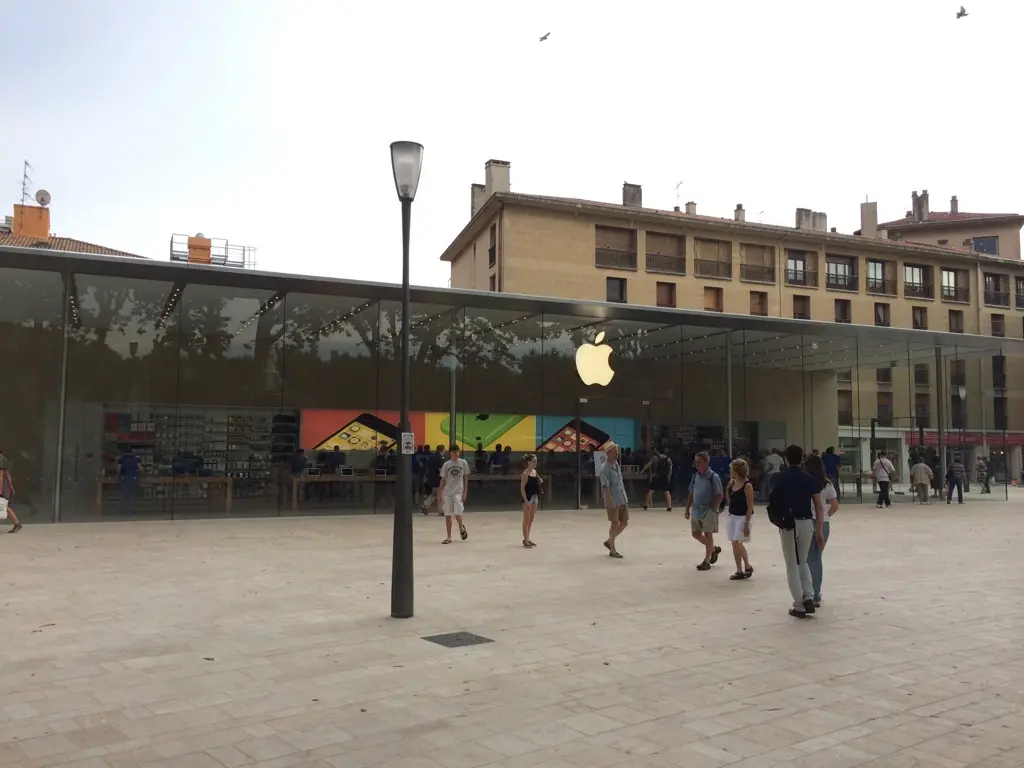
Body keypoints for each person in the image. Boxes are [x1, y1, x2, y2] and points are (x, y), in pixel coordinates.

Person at [768, 444, 824, 619]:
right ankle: (809, 595)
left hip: (788, 524)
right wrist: (820, 529)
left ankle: (799, 605)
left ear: (785, 459)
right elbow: (818, 505)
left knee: (791, 565)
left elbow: (773, 501)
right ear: (801, 459)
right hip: (807, 522)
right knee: (803, 561)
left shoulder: (779, 478)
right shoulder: (808, 479)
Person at [804, 454, 838, 608]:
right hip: (824, 523)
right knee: (817, 558)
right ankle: (816, 592)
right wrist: (825, 516)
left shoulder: (806, 483)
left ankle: (810, 592)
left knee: (807, 559)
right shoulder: (827, 484)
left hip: (808, 521)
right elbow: (835, 505)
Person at [685, 451, 724, 571]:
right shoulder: (695, 476)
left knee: (708, 533)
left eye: (699, 462)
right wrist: (687, 507)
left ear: (706, 462)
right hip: (697, 509)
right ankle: (713, 549)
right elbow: (692, 492)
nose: (697, 465)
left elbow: (719, 495)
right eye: (695, 462)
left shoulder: (713, 477)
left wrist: (713, 508)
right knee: (696, 534)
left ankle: (707, 560)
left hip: (708, 510)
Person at [725, 458, 754, 580]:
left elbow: (750, 505)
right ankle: (742, 569)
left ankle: (745, 566)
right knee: (735, 543)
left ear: (736, 471)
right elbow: (729, 498)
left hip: (743, 517)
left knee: (737, 542)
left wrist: (747, 523)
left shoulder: (747, 486)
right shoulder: (732, 483)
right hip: (733, 515)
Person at [599, 443, 628, 559]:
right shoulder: (604, 469)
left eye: (617, 451)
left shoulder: (616, 464)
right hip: (614, 500)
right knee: (615, 523)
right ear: (608, 453)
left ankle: (610, 541)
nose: (617, 453)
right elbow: (605, 487)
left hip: (622, 498)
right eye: (615, 451)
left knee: (624, 523)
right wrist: (610, 502)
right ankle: (613, 549)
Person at [437, 446, 469, 544]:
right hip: (448, 492)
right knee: (447, 514)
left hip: (458, 491)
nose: (456, 454)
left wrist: (465, 492)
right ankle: (449, 536)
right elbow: (442, 480)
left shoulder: (463, 463)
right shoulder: (446, 465)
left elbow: (465, 478)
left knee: (458, 512)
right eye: (454, 452)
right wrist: (439, 494)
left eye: (457, 452)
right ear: (450, 453)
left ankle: (461, 527)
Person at [519, 453, 542, 548]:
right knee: (526, 520)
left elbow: (539, 479)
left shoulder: (534, 472)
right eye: (533, 461)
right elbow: (522, 489)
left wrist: (540, 480)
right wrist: (526, 501)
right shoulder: (524, 474)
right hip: (528, 498)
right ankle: (526, 540)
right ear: (528, 462)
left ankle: (527, 538)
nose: (535, 463)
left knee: (531, 519)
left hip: (535, 496)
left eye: (536, 461)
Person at [0, 450, 23, 533]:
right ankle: (17, 523)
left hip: (2, 487)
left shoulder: (0, 459)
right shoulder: (4, 459)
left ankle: (17, 523)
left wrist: (0, 489)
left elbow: (1, 476)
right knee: (6, 506)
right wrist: (10, 486)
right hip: (5, 487)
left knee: (5, 506)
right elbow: (7, 474)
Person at [420, 445, 446, 515]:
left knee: (435, 493)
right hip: (438, 479)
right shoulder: (440, 458)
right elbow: (441, 469)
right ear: (442, 450)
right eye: (444, 450)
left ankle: (425, 505)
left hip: (432, 478)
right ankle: (441, 510)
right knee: (440, 494)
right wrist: (444, 478)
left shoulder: (432, 457)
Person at [117, 446, 141, 516]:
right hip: (133, 478)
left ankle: (123, 510)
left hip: (124, 478)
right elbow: (140, 468)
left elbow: (118, 469)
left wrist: (117, 476)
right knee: (131, 495)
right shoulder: (136, 459)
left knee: (123, 494)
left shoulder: (121, 459)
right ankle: (130, 510)